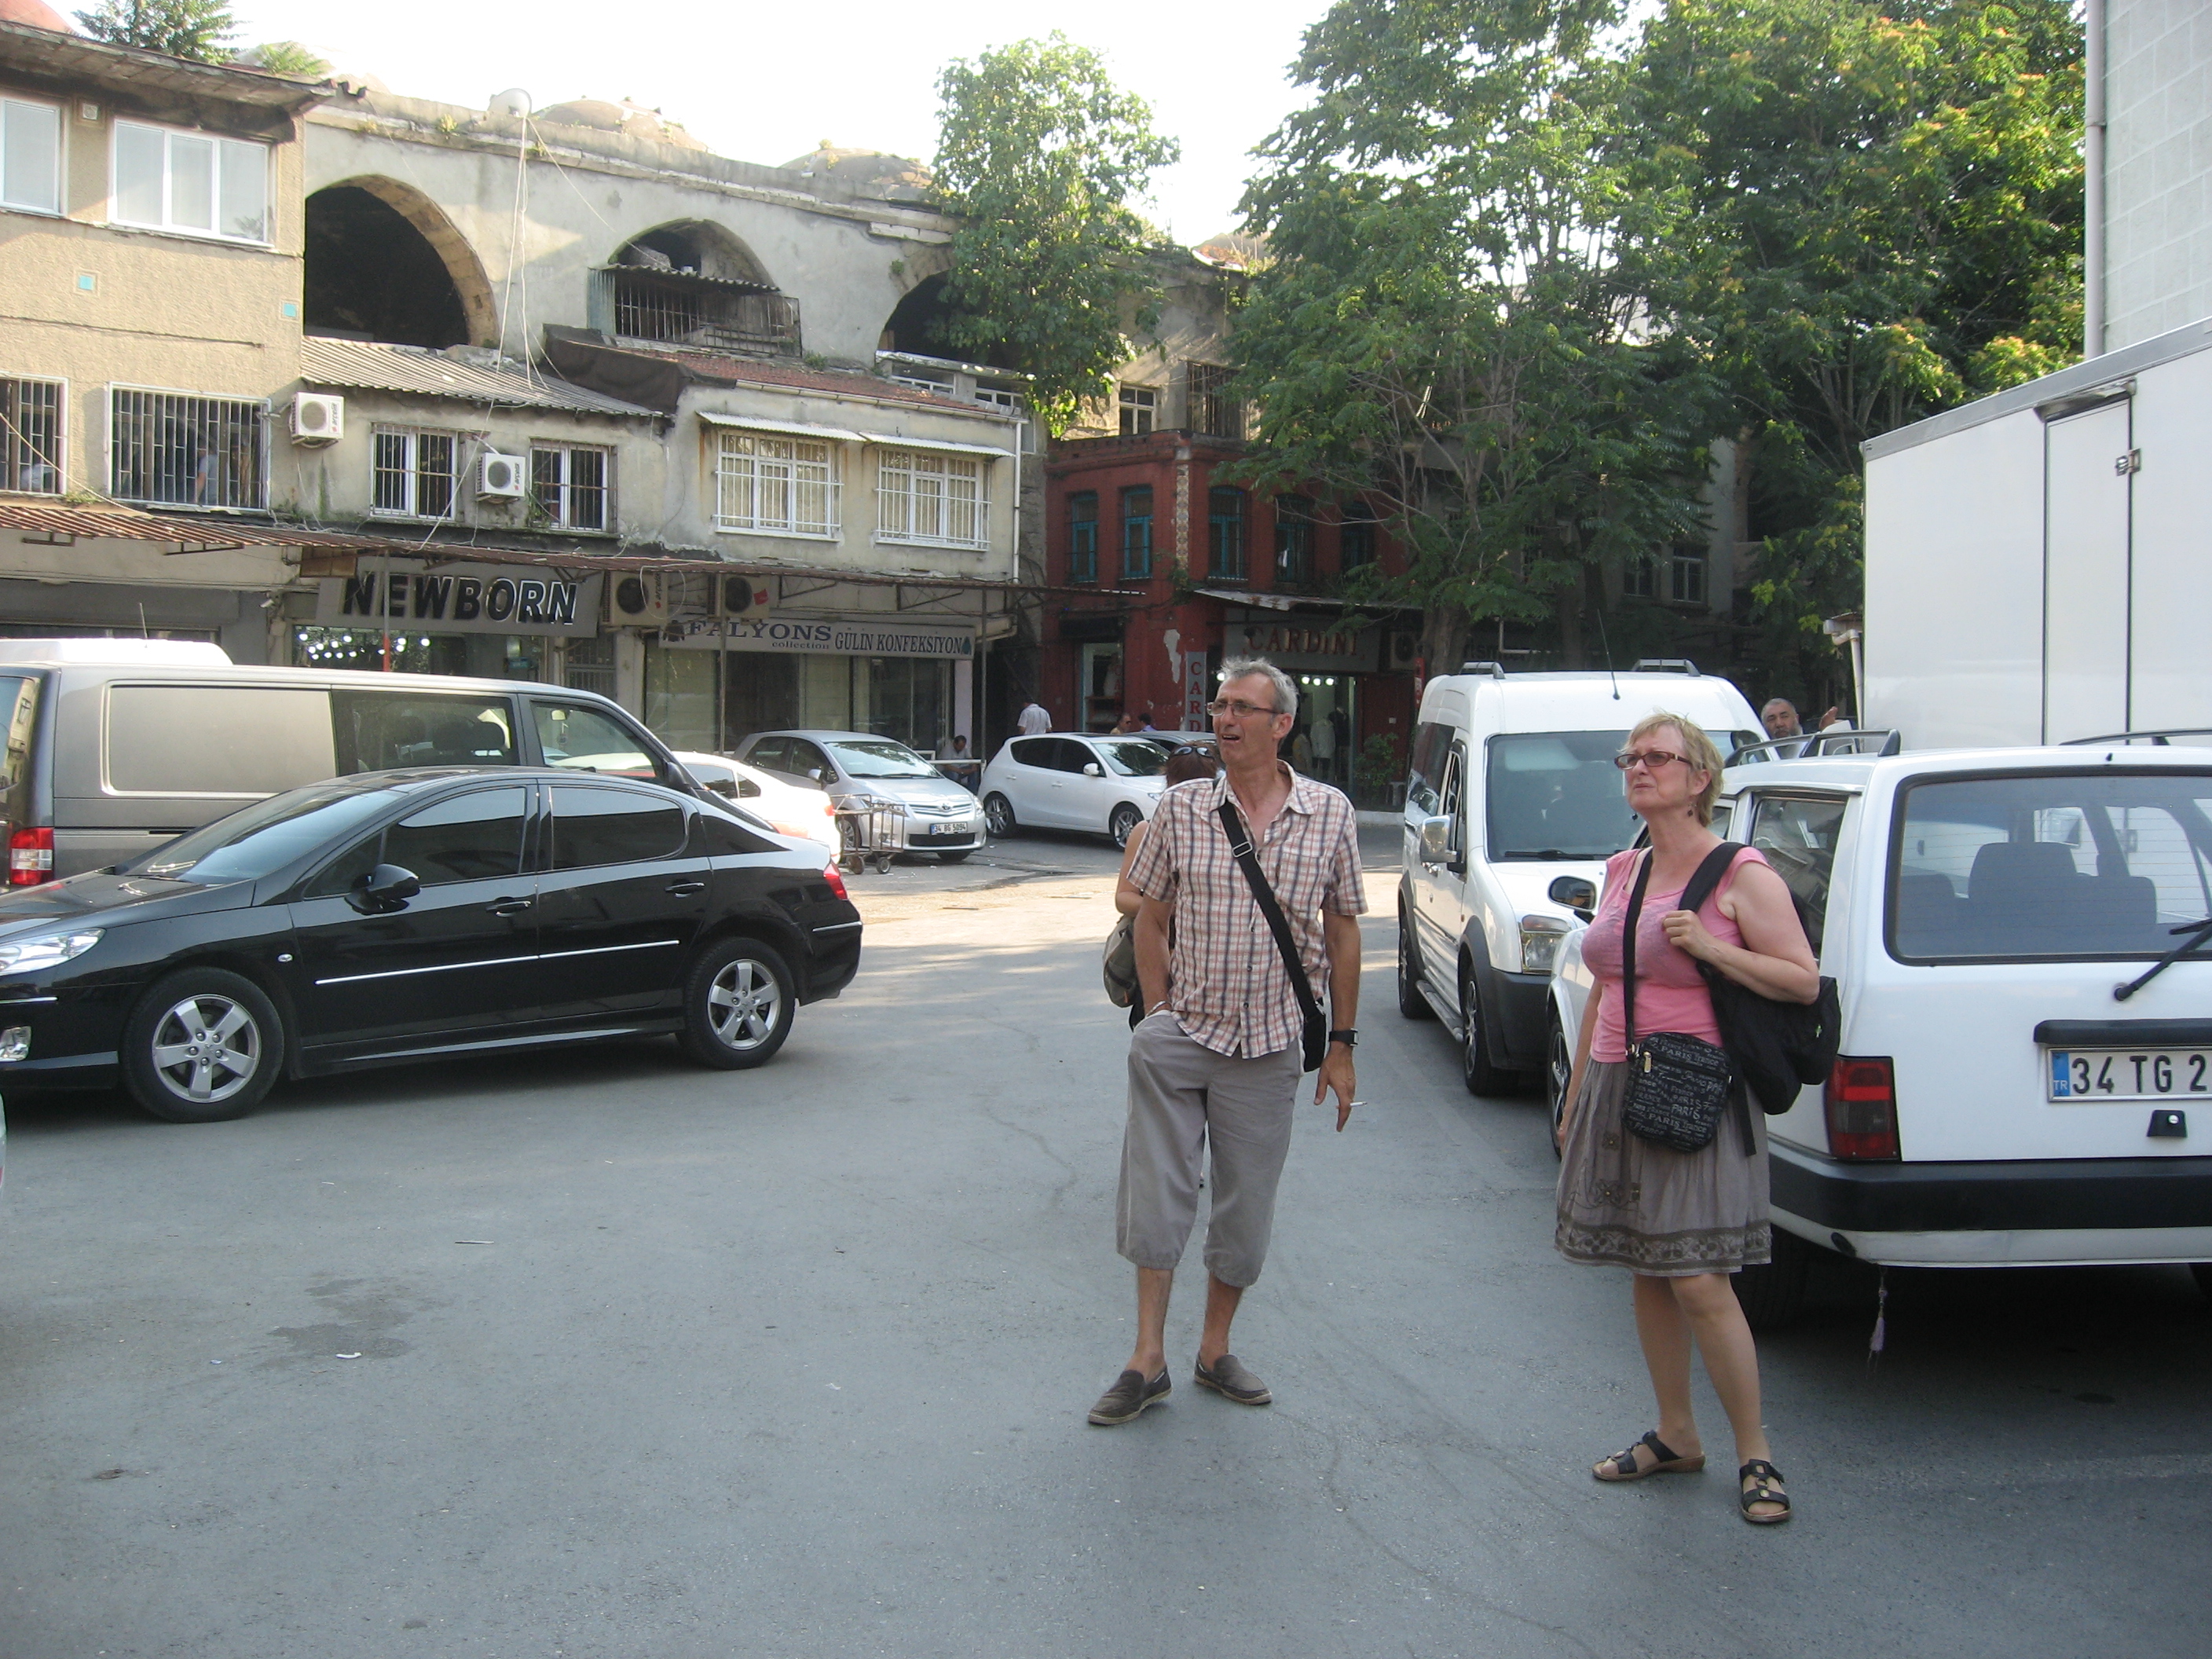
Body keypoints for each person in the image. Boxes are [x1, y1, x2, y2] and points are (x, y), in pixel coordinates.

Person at [1554, 712, 1818, 1525]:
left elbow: (1801, 981)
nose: (1638, 768)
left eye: (1657, 758)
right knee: (1647, 1266)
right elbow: (1607, 982)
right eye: (1629, 758)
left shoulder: (1740, 872)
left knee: (1699, 1278)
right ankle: (1676, 1433)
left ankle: (1755, 1453)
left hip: (1693, 1089)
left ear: (1699, 778)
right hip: (1616, 1079)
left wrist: (1710, 949)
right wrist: (1575, 1092)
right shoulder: (1624, 866)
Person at [1087, 658, 1364, 1426]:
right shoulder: (1181, 809)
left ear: (1283, 725)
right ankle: (1147, 1358)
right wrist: (1156, 1014)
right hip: (1183, 1035)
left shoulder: (1330, 814)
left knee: (1245, 1208)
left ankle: (1214, 1350)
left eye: (1244, 708)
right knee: (1157, 1195)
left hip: (1271, 1043)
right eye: (1219, 706)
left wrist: (1341, 1045)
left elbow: (1343, 931)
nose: (1226, 720)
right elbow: (1149, 913)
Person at [1113, 745, 1221, 1028]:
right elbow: (1124, 897)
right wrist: (1168, 908)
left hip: (1211, 967)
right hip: (1162, 958)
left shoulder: (1228, 831)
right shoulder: (1147, 830)